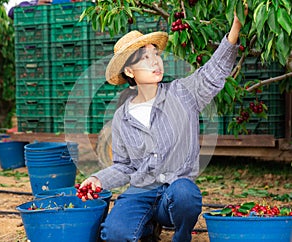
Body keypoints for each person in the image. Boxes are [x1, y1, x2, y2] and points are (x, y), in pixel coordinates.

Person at [80, 7, 247, 242]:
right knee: (114, 234)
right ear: (129, 70)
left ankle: (181, 236)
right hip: (141, 192)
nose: (155, 62)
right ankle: (147, 227)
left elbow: (214, 72)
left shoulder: (183, 93)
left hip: (174, 191)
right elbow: (124, 166)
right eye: (144, 58)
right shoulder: (121, 118)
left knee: (185, 194)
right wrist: (98, 179)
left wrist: (236, 27)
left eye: (155, 55)